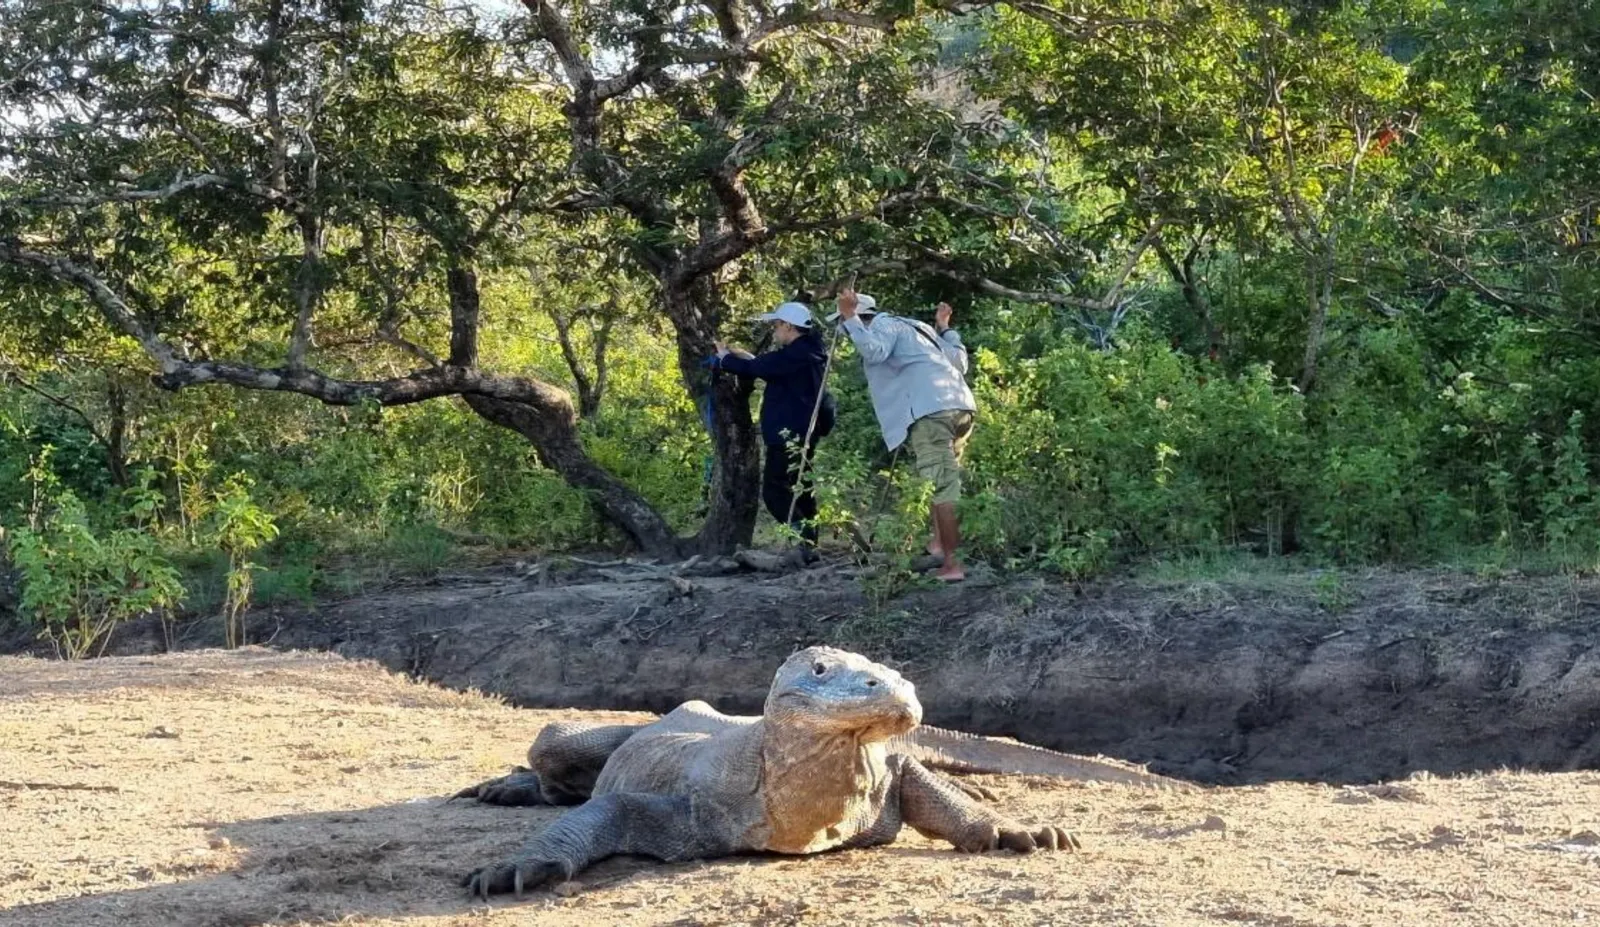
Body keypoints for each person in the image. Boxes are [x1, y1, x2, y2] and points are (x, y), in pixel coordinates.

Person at [829, 287, 975, 582]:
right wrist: (945, 328)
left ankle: (953, 565)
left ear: (860, 315)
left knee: (943, 485)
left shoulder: (883, 325)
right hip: (959, 406)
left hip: (932, 410)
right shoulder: (918, 327)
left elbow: (874, 350)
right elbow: (960, 363)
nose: (843, 331)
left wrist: (849, 317)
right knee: (940, 479)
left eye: (842, 324)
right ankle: (937, 546)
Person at [714, 301, 836, 555]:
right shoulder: (808, 352)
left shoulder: (796, 355)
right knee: (801, 489)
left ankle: (802, 541)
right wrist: (740, 358)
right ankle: (809, 544)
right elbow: (766, 365)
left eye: (776, 325)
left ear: (788, 326)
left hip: (787, 434)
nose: (774, 330)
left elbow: (757, 368)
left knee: (774, 491)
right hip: (805, 432)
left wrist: (724, 358)